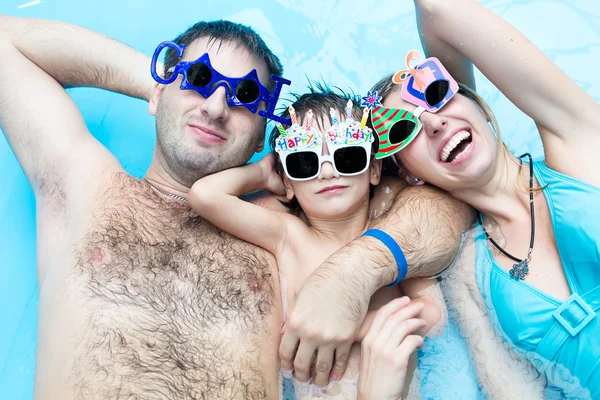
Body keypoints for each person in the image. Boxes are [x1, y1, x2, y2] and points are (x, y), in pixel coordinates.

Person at [0, 12, 472, 399]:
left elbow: (450, 201)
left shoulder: (282, 220)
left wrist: (357, 270)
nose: (216, 105)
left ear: (263, 133)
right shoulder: (85, 183)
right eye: (201, 78)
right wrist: (163, 87)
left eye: (245, 94)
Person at [368, 0, 600, 397]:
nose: (436, 122)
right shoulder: (467, 272)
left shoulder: (577, 146)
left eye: (437, 93)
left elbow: (437, 7)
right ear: (408, 174)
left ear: (472, 100)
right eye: (404, 130)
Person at [189, 88, 443, 398]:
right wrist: (261, 173)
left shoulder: (394, 240)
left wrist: (353, 326)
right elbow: (205, 196)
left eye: (348, 155)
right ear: (288, 183)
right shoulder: (289, 236)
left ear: (374, 170)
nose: (327, 171)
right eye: (304, 163)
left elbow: (433, 316)